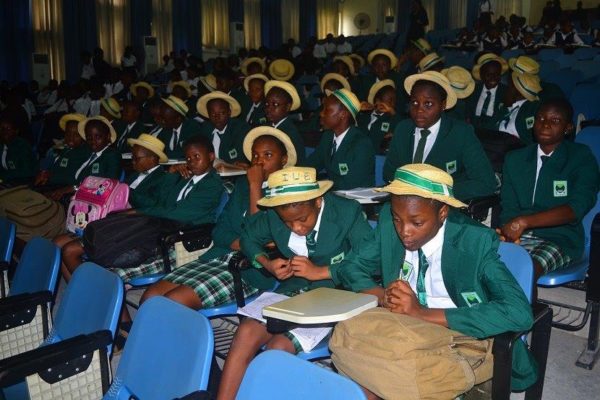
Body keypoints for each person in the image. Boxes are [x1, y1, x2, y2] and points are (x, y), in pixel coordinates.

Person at [328, 163, 537, 397]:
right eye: (398, 219)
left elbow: (519, 312)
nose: (404, 231)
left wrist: (422, 313)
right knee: (346, 333)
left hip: (459, 328)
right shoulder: (390, 223)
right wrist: (382, 295)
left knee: (394, 364)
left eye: (417, 223)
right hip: (404, 324)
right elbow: (350, 266)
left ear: (442, 213)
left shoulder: (473, 242)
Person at [216, 166, 372, 400]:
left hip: (339, 295)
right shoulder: (275, 214)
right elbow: (249, 237)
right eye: (288, 223)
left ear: (318, 201)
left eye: (302, 219)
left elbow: (368, 261)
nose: (296, 228)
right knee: (246, 331)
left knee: (277, 347)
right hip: (296, 289)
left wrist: (321, 271)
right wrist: (265, 263)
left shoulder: (347, 212)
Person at [140, 127, 296, 309]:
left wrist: (255, 185)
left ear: (283, 160)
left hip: (249, 268)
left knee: (173, 302)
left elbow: (258, 236)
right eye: (255, 156)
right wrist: (236, 241)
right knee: (150, 296)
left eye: (267, 155)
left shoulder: (287, 197)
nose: (259, 161)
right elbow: (219, 229)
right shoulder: (242, 187)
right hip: (219, 255)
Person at [60, 135, 223, 281]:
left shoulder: (212, 185)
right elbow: (163, 203)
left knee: (86, 256)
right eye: (188, 158)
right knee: (77, 246)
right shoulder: (185, 178)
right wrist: (171, 175)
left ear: (211, 156)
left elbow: (177, 213)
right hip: (154, 226)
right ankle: (83, 292)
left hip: (178, 236)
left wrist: (140, 211)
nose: (191, 162)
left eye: (196, 157)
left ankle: (91, 293)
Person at [498, 98, 600, 279]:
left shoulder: (580, 158)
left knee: (523, 270)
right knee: (480, 261)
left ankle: (524, 307)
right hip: (518, 235)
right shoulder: (515, 159)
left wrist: (524, 222)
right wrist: (509, 233)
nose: (545, 125)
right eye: (541, 119)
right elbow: (509, 206)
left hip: (560, 238)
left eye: (555, 121)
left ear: (568, 128)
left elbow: (576, 209)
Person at [384, 71, 496, 201]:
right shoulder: (403, 129)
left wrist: (435, 191)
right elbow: (389, 172)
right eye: (414, 103)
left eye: (428, 104)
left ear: (443, 105)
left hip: (444, 207)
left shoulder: (461, 133)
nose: (419, 110)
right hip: (404, 204)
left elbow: (486, 183)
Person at [306, 89, 375, 189]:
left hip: (355, 201)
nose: (321, 113)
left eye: (326, 110)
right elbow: (311, 165)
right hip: (335, 196)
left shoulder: (361, 144)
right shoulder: (328, 136)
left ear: (343, 114)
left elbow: (352, 186)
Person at [34, 113, 91, 190]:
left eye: (76, 134)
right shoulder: (65, 150)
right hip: (53, 186)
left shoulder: (85, 153)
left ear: (84, 135)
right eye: (68, 133)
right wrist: (45, 174)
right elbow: (55, 170)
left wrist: (51, 177)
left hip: (66, 191)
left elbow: (76, 180)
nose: (71, 137)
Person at [196, 91, 249, 165]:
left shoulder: (240, 129)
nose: (217, 117)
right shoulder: (205, 128)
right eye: (213, 113)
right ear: (208, 114)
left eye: (222, 113)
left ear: (229, 112)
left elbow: (241, 161)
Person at [492, 71, 541, 145]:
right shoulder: (504, 104)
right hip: (494, 145)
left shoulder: (532, 109)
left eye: (510, 86)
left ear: (517, 91)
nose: (506, 89)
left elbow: (531, 139)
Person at [262, 81, 306, 164]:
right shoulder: (265, 128)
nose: (268, 109)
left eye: (275, 104)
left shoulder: (291, 133)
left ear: (287, 107)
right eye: (267, 104)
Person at [357, 80, 402, 153]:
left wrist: (392, 112)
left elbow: (402, 128)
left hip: (379, 159)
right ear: (378, 101)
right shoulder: (363, 116)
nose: (393, 103)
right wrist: (357, 109)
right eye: (390, 100)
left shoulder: (392, 119)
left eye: (394, 100)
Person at [468, 53, 508, 127]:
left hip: (494, 131)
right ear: (481, 75)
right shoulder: (473, 90)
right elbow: (468, 112)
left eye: (497, 74)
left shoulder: (506, 92)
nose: (493, 78)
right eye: (489, 75)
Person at [157, 95, 202, 160]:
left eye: (165, 119)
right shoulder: (166, 130)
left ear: (178, 119)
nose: (162, 121)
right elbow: (157, 148)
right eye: (161, 117)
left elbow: (187, 153)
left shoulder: (192, 128)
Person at [0, 114, 37, 186]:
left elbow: (26, 171)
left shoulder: (22, 146)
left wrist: (3, 176)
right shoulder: (2, 145)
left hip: (24, 182)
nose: (4, 132)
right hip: (7, 181)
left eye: (8, 129)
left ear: (16, 131)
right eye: (2, 129)